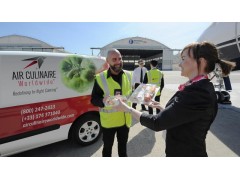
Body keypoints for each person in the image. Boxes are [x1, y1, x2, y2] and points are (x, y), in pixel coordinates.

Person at [112, 41, 235, 157]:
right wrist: (161, 107)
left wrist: (127, 109)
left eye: (183, 59)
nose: (179, 64)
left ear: (201, 62)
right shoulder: (197, 86)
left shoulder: (198, 93)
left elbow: (157, 122)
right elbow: (185, 115)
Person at [91, 48, 132, 157]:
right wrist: (103, 102)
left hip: (125, 121)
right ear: (108, 62)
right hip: (109, 123)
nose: (118, 62)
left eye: (120, 58)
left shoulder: (128, 75)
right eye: (114, 59)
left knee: (123, 149)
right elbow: (94, 99)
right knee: (107, 149)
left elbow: (131, 94)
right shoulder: (100, 78)